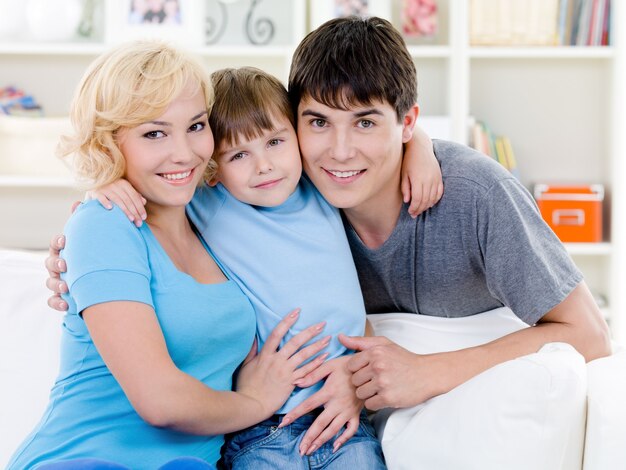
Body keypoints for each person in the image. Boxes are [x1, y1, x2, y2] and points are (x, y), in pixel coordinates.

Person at [61, 66, 443, 468]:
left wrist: (418, 143)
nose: (263, 166)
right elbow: (153, 182)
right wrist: (104, 184)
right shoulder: (213, 196)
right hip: (261, 429)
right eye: (239, 154)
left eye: (276, 142)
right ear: (216, 165)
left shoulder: (321, 184)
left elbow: (356, 143)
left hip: (343, 418)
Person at [273, 14, 611, 458]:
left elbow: (591, 335)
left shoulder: (477, 195)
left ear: (408, 122)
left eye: (365, 123)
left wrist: (428, 372)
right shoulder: (287, 199)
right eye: (318, 122)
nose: (338, 151)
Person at [8, 40, 331, 470]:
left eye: (196, 126)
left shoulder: (217, 219)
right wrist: (253, 401)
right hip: (83, 458)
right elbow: (160, 402)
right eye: (154, 133)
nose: (184, 152)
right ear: (108, 142)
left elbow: (347, 149)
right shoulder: (104, 222)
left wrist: (418, 144)